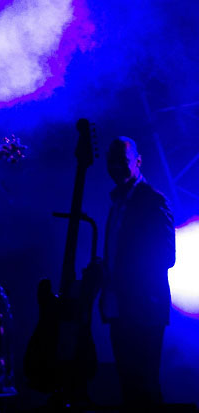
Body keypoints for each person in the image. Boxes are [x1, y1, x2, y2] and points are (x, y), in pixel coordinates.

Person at [99, 136, 175, 410]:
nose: (115, 167)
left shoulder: (152, 201)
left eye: (122, 161)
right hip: (123, 308)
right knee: (130, 386)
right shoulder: (118, 202)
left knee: (143, 386)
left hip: (143, 309)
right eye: (111, 162)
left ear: (138, 162)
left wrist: (121, 279)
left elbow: (167, 256)